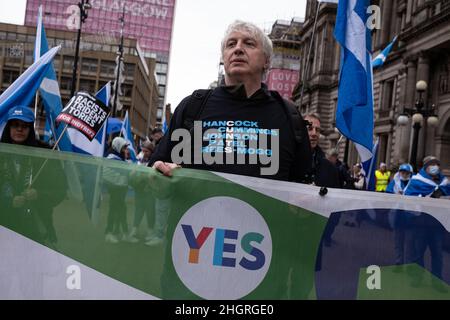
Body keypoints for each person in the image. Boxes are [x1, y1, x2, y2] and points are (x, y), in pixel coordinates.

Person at [149, 20, 311, 183]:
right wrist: (160, 169)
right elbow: (153, 168)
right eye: (231, 44)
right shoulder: (192, 107)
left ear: (267, 61)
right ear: (224, 57)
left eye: (249, 43)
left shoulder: (289, 115)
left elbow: (301, 189)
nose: (238, 49)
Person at [0, 105, 67, 246]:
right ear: (8, 128)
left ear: (31, 129)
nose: (19, 129)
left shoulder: (45, 154)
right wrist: (7, 201)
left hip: (36, 230)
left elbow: (60, 189)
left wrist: (39, 194)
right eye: (15, 125)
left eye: (25, 126)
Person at [404, 156, 449, 292]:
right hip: (421, 224)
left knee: (438, 255)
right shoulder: (416, 181)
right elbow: (408, 198)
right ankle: (417, 278)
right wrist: (427, 198)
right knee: (418, 253)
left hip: (437, 224)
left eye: (436, 164)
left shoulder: (444, 182)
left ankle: (436, 281)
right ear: (426, 167)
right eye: (432, 164)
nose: (435, 166)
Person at [103, 136, 136, 243]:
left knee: (120, 210)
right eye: (124, 147)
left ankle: (118, 232)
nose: (126, 150)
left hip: (120, 189)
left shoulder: (118, 157)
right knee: (115, 210)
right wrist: (128, 160)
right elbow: (128, 171)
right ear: (118, 147)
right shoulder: (112, 158)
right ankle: (110, 233)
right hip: (115, 189)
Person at [129, 141, 157, 242]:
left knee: (150, 211)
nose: (144, 153)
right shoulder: (139, 159)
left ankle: (150, 232)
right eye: (143, 150)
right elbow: (134, 172)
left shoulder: (154, 161)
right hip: (139, 189)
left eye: (147, 151)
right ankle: (134, 230)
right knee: (138, 210)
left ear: (151, 152)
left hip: (150, 191)